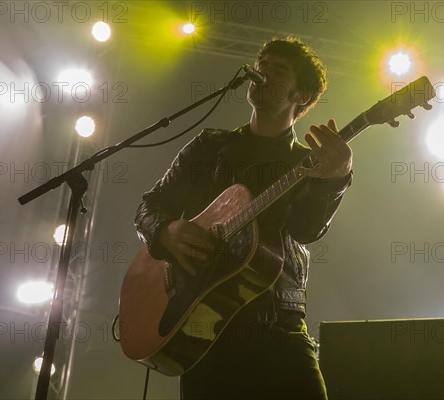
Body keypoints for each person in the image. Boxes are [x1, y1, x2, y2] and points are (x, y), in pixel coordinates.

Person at [134, 36, 353, 399]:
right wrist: (167, 231)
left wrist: (336, 180)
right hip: (203, 326)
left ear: (300, 96)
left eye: (278, 69)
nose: (262, 71)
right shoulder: (209, 146)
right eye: (261, 63)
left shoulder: (308, 163)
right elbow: (150, 205)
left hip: (279, 325)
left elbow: (306, 230)